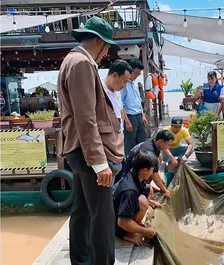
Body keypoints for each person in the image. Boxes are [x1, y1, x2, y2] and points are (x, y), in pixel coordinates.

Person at [56, 16, 123, 265]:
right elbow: (87, 117)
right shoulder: (82, 63)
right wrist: (99, 162)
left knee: (82, 211)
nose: (106, 54)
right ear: (98, 41)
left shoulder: (71, 60)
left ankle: (81, 261)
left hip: (76, 149)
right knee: (102, 215)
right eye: (106, 47)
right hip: (87, 153)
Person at [112, 149, 161, 246]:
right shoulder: (130, 191)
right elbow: (122, 221)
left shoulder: (135, 175)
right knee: (143, 203)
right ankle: (128, 234)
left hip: (117, 210)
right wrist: (144, 231)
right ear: (144, 170)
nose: (152, 172)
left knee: (148, 189)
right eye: (152, 169)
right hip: (115, 225)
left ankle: (134, 225)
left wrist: (151, 202)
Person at [119, 129, 174, 199]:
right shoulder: (150, 150)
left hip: (140, 169)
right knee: (148, 195)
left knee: (159, 158)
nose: (168, 147)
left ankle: (146, 185)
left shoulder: (154, 143)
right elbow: (155, 175)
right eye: (168, 145)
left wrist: (159, 180)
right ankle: (144, 189)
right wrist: (164, 190)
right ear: (161, 141)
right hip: (131, 175)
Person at [121, 58, 148, 156]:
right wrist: (127, 121)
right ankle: (130, 164)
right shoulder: (123, 84)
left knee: (142, 140)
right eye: (135, 73)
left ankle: (141, 160)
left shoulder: (135, 84)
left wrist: (143, 115)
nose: (136, 76)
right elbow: (121, 104)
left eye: (138, 74)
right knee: (130, 143)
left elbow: (138, 101)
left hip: (139, 115)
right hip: (130, 115)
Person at [102, 59, 133, 130]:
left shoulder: (117, 92)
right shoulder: (98, 90)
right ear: (114, 75)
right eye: (124, 82)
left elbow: (121, 110)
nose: (125, 86)